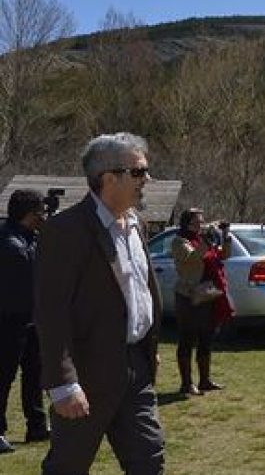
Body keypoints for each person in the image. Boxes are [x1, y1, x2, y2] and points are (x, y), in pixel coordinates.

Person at [35, 132, 165, 475]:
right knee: (69, 465)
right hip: (87, 373)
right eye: (138, 172)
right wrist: (63, 383)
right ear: (109, 179)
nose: (147, 179)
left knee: (149, 460)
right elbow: (51, 311)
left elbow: (137, 291)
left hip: (136, 368)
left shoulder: (135, 225)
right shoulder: (67, 230)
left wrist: (147, 346)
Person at [0, 189, 50, 454]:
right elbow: (31, 275)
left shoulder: (30, 238)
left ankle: (37, 424)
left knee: (34, 373)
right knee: (4, 376)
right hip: (9, 320)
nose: (44, 216)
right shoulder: (10, 244)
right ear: (30, 214)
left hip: (30, 318)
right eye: (41, 212)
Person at [171, 208, 234, 396]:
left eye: (202, 221)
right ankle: (186, 384)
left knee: (206, 338)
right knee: (187, 339)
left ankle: (205, 380)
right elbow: (192, 258)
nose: (201, 225)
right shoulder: (179, 241)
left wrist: (226, 235)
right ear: (188, 223)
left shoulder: (203, 240)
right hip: (189, 296)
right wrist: (206, 239)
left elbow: (223, 255)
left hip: (208, 294)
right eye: (198, 222)